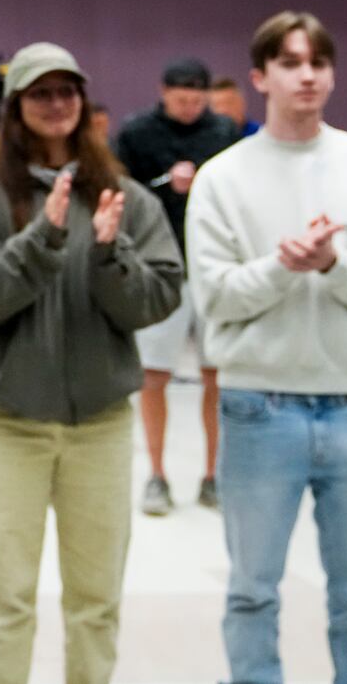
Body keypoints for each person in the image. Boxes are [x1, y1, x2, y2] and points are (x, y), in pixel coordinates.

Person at [186, 11, 347, 684]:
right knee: (252, 593)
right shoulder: (223, 178)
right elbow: (216, 299)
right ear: (261, 75)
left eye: (319, 61)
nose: (308, 74)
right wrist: (282, 266)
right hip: (257, 407)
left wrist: (332, 265)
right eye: (291, 62)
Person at [0, 41, 181, 684]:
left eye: (67, 92)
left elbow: (158, 297)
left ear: (82, 103)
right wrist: (44, 237)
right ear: (15, 107)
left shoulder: (125, 197)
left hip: (101, 427)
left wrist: (111, 254)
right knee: (6, 598)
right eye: (40, 93)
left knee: (96, 600)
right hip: (9, 427)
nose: (56, 105)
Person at [115, 57, 239, 516]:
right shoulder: (136, 133)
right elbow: (121, 194)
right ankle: (157, 474)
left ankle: (213, 475)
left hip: (213, 266)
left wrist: (201, 183)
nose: (189, 107)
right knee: (154, 375)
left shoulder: (225, 132)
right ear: (164, 92)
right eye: (180, 99)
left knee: (217, 374)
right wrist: (168, 183)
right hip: (158, 268)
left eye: (197, 99)